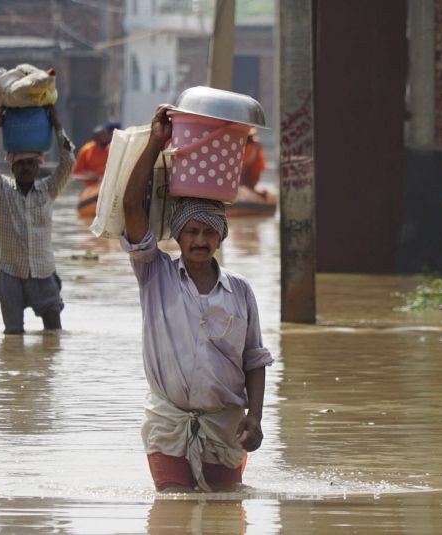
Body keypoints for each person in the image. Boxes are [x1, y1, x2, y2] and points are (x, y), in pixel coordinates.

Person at [122, 106, 273, 492]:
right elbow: (131, 207)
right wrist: (158, 141)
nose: (200, 240)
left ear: (221, 238)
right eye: (191, 231)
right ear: (178, 235)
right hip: (168, 421)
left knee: (225, 512)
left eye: (209, 232)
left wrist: (255, 418)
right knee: (171, 506)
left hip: (225, 424)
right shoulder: (155, 273)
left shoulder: (239, 291)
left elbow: (254, 359)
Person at [0, 104, 74, 334]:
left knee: (53, 335)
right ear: (12, 166)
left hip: (43, 272)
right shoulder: (2, 190)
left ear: (38, 165)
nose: (26, 168)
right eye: (21, 164)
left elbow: (68, 161)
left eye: (30, 163)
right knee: (13, 335)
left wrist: (57, 125)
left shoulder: (49, 188)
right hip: (10, 273)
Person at [72, 123, 112, 187]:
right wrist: (90, 174)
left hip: (108, 187)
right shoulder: (86, 150)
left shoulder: (111, 150)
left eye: (106, 136)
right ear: (96, 140)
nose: (106, 139)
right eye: (103, 137)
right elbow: (77, 172)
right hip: (90, 189)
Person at [235, 127, 267, 202]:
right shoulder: (242, 145)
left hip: (247, 183)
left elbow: (248, 166)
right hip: (242, 183)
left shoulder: (254, 147)